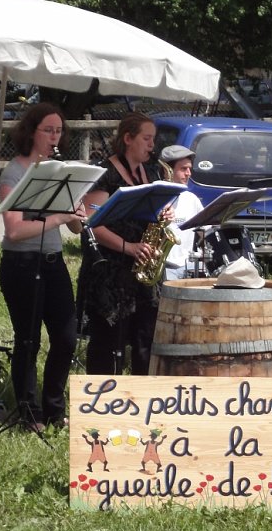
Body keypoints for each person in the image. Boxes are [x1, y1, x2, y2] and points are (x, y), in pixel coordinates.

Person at [0, 102, 86, 431]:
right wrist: (59, 218)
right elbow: (14, 231)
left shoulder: (59, 171)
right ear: (31, 132)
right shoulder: (14, 173)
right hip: (20, 264)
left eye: (59, 131)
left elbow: (76, 227)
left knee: (66, 337)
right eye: (48, 130)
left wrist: (75, 212)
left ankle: (53, 409)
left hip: (52, 262)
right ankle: (29, 412)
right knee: (28, 340)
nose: (54, 137)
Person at [77, 112, 172, 375]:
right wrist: (128, 247)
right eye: (146, 138)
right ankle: (104, 395)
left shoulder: (151, 171)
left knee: (145, 339)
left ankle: (142, 394)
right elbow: (92, 223)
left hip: (142, 268)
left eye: (153, 139)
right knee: (107, 344)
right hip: (111, 271)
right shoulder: (104, 174)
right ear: (128, 139)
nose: (152, 145)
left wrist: (163, 213)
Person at [159, 144, 205, 282]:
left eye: (190, 169)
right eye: (183, 169)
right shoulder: (155, 198)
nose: (188, 173)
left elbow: (205, 230)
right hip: (163, 267)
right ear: (167, 171)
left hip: (188, 267)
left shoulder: (191, 199)